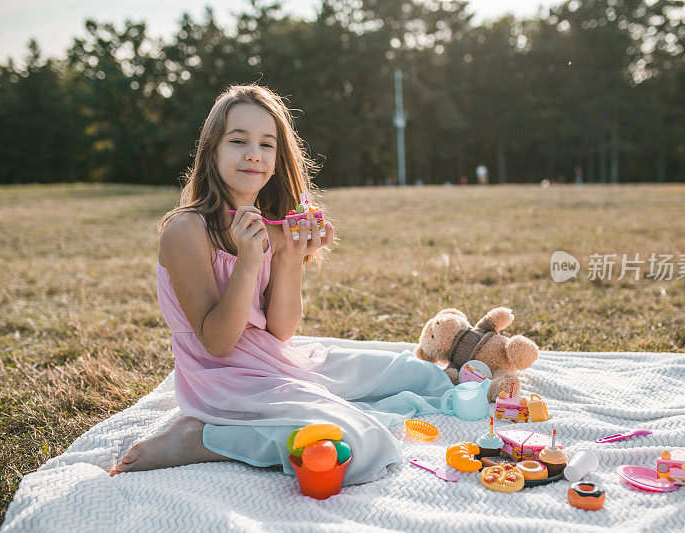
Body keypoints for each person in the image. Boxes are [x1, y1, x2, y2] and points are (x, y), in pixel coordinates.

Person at [108, 85, 452, 485]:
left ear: (277, 158)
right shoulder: (186, 231)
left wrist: (289, 257)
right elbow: (216, 344)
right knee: (359, 446)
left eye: (266, 144)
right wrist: (248, 262)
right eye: (238, 141)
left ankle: (289, 414)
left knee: (417, 374)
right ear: (211, 151)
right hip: (221, 378)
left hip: (274, 358)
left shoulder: (271, 228)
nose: (254, 153)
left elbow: (281, 331)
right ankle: (203, 437)